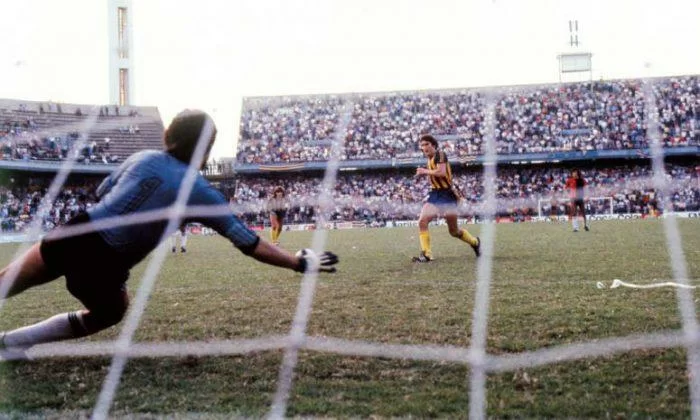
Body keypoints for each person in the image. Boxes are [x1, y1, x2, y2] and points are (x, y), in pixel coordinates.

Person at [0, 110, 339, 359]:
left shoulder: (141, 157)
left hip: (76, 231)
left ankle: (11, 345)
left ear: (169, 137)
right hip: (105, 262)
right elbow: (248, 242)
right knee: (111, 313)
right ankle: (13, 343)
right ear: (205, 150)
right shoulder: (201, 191)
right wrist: (295, 262)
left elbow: (105, 192)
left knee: (6, 282)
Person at [412, 134, 480, 263]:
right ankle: (426, 254)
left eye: (427, 144)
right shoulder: (429, 159)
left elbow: (442, 172)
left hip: (447, 195)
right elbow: (435, 174)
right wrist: (423, 174)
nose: (424, 147)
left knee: (453, 231)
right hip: (435, 194)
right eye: (422, 145)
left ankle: (475, 242)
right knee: (422, 221)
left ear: (433, 145)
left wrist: (424, 171)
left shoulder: (440, 154)